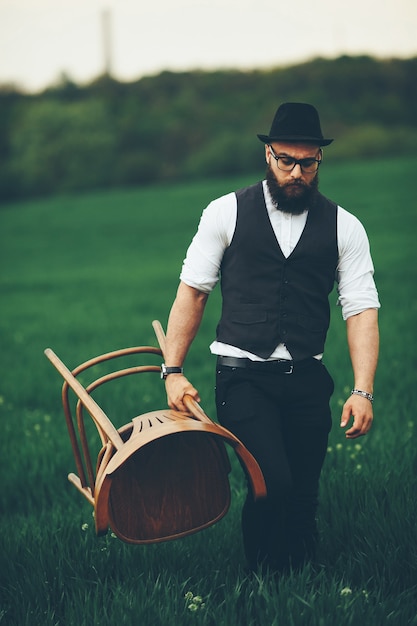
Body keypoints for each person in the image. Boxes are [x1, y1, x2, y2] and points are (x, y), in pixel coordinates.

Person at [161, 102, 380, 573]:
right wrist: (173, 371)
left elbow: (360, 309)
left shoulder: (346, 226)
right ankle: (262, 579)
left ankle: (302, 583)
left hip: (307, 378)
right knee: (270, 483)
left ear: (320, 160)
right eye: (287, 161)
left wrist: (363, 390)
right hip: (243, 379)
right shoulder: (225, 212)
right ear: (268, 155)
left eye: (308, 162)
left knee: (302, 492)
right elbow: (193, 293)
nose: (297, 172)